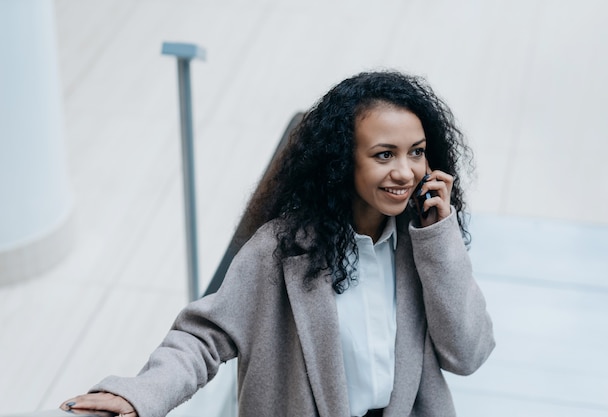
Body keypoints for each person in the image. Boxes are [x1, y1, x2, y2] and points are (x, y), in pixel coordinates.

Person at [60, 70, 495, 417]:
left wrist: (438, 238)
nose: (405, 172)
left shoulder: (425, 246)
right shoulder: (280, 250)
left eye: (416, 152)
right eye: (384, 155)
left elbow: (468, 354)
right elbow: (204, 337)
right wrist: (141, 396)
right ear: (343, 161)